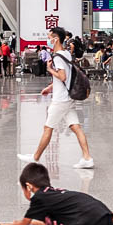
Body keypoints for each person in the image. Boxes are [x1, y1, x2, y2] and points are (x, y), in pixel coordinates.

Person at [23, 26, 95, 169]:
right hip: (68, 98)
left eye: (50, 37)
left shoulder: (57, 57)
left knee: (47, 127)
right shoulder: (66, 53)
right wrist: (50, 87)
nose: (48, 40)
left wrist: (49, 69)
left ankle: (35, 157)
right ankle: (87, 158)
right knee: (76, 127)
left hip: (60, 100)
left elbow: (62, 76)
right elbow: (64, 78)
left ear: (56, 39)